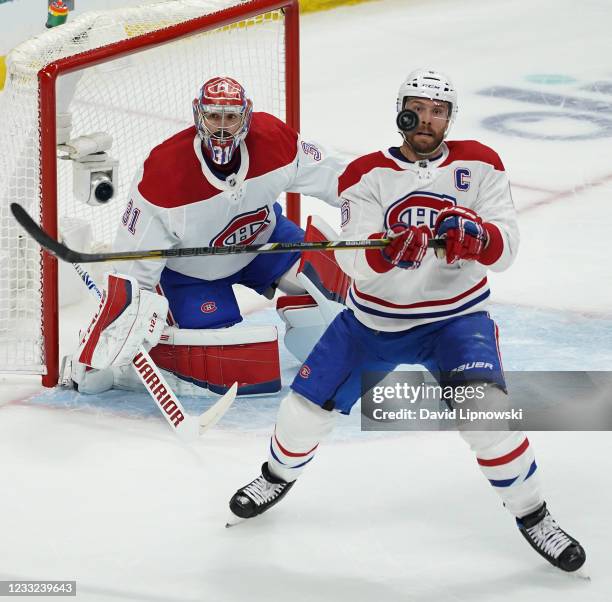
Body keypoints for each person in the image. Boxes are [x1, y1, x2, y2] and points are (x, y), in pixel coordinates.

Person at [228, 69, 586, 573]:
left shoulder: (481, 164)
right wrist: (386, 252)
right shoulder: (365, 174)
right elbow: (353, 260)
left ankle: (535, 516)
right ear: (401, 110)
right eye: (418, 108)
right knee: (301, 415)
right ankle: (275, 475)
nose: (427, 119)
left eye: (439, 110)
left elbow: (507, 248)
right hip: (371, 323)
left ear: (449, 118)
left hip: (456, 321)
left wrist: (479, 236)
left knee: (488, 420)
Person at [72, 76, 346, 397]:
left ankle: (305, 323)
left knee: (333, 281)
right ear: (198, 115)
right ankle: (163, 356)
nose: (222, 127)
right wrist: (111, 343)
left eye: (231, 117)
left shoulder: (274, 140)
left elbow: (338, 177)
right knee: (238, 368)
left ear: (247, 116)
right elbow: (133, 267)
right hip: (192, 275)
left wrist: (393, 206)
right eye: (214, 116)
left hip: (264, 242)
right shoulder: (163, 174)